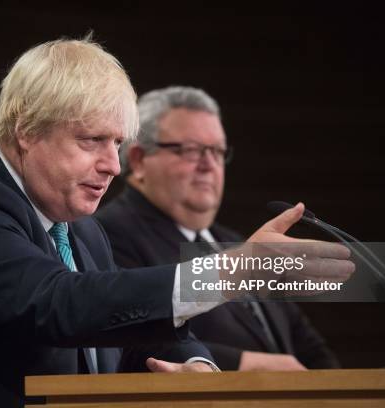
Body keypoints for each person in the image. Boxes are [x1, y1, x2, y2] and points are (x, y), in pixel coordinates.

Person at [0, 39, 352, 407]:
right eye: (92, 141)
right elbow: (60, 305)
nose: (114, 166)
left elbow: (138, 331)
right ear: (26, 130)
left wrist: (199, 367)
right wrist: (227, 272)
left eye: (117, 144)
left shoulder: (83, 230)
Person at [95, 86, 340, 371]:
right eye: (191, 150)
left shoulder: (235, 241)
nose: (209, 164)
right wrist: (243, 364)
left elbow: (306, 344)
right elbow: (133, 335)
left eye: (217, 151)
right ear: (138, 160)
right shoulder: (107, 235)